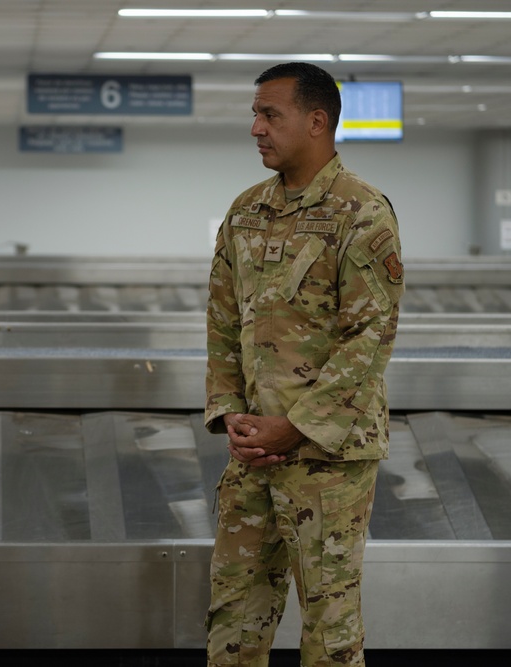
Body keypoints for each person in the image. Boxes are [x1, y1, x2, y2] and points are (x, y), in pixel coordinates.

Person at [204, 62, 403, 666]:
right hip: (253, 453)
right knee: (234, 617)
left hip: (328, 460)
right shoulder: (245, 212)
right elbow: (221, 324)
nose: (256, 128)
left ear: (317, 122)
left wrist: (296, 426)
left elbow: (370, 335)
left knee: (329, 624)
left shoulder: (361, 212)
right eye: (255, 114)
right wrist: (232, 417)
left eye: (271, 115)